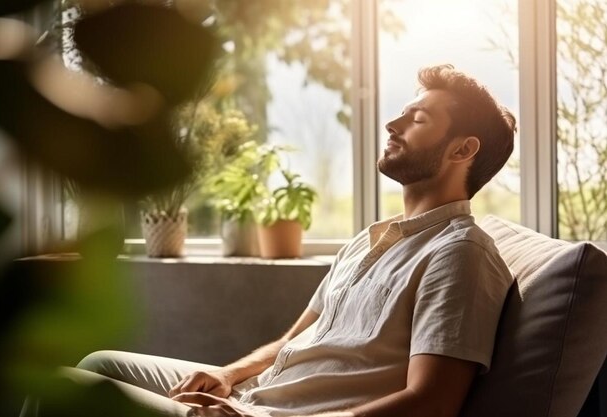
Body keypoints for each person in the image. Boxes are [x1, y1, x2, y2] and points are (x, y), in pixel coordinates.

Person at [41, 64, 517, 417]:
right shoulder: (366, 241)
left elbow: (432, 402)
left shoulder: (459, 254)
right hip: (255, 398)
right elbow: (293, 340)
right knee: (99, 362)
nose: (393, 125)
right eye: (402, 113)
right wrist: (228, 376)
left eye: (418, 119)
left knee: (61, 388)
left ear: (463, 149)